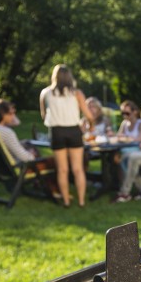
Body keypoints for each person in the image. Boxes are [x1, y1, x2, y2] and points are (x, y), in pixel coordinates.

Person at [39, 64, 94, 208]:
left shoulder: (45, 93)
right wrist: (91, 126)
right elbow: (89, 115)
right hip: (74, 131)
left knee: (62, 169)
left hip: (56, 132)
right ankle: (81, 201)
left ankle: (66, 201)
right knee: (78, 169)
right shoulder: (77, 93)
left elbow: (44, 115)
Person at [0, 99, 60, 198]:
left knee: (30, 146)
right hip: (18, 168)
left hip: (0, 167)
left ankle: (42, 184)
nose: (13, 115)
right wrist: (32, 154)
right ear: (2, 114)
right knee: (55, 161)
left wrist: (22, 145)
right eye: (11, 113)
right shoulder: (7, 132)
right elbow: (27, 158)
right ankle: (53, 190)